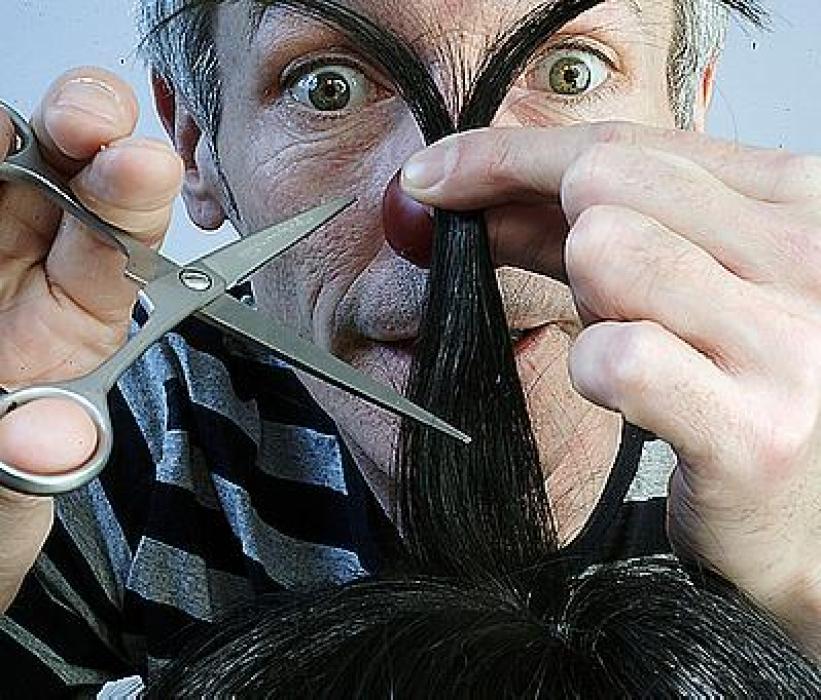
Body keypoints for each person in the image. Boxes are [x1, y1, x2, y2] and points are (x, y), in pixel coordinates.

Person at [0, 0, 818, 693]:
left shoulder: (800, 407)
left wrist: (801, 593)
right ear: (196, 146)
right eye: (326, 88)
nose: (439, 213)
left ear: (686, 115)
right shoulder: (85, 420)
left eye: (572, 72)